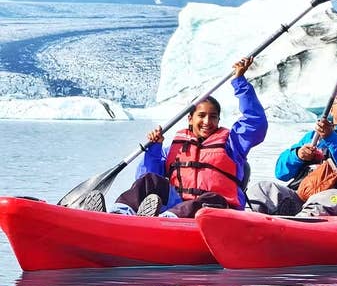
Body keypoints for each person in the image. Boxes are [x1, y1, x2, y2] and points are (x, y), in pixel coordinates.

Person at [82, 56, 268, 218]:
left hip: (215, 212)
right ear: (190, 118)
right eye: (201, 115)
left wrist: (240, 82)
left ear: (219, 120)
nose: (207, 121)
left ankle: (167, 219)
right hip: (175, 203)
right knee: (149, 181)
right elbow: (145, 175)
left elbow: (255, 122)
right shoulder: (173, 148)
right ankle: (120, 213)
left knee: (212, 198)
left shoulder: (232, 144)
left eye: (213, 117)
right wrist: (153, 149)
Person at [248, 86, 337, 217]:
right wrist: (298, 155)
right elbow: (281, 172)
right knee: (264, 188)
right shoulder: (313, 137)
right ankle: (247, 223)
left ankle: (297, 230)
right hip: (303, 199)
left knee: (330, 197)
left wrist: (332, 139)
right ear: (331, 109)